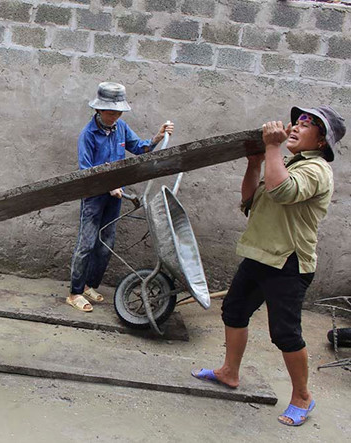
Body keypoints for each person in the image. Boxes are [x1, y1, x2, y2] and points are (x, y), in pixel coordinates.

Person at [191, 106, 346, 426]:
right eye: (298, 120)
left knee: (285, 333)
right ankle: (229, 372)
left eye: (310, 124)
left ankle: (302, 396)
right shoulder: (288, 163)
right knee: (234, 311)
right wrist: (255, 163)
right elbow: (249, 201)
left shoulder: (316, 169)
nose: (298, 125)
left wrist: (272, 148)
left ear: (321, 142)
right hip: (260, 254)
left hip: (288, 262)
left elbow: (282, 191)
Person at [67, 82, 173, 312]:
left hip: (115, 196)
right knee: (86, 244)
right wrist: (107, 186)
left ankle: (89, 286)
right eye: (111, 112)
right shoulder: (88, 135)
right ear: (99, 110)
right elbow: (86, 171)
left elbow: (139, 149)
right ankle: (75, 293)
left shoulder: (121, 128)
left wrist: (156, 138)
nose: (115, 116)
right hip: (94, 197)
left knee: (106, 244)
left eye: (118, 112)